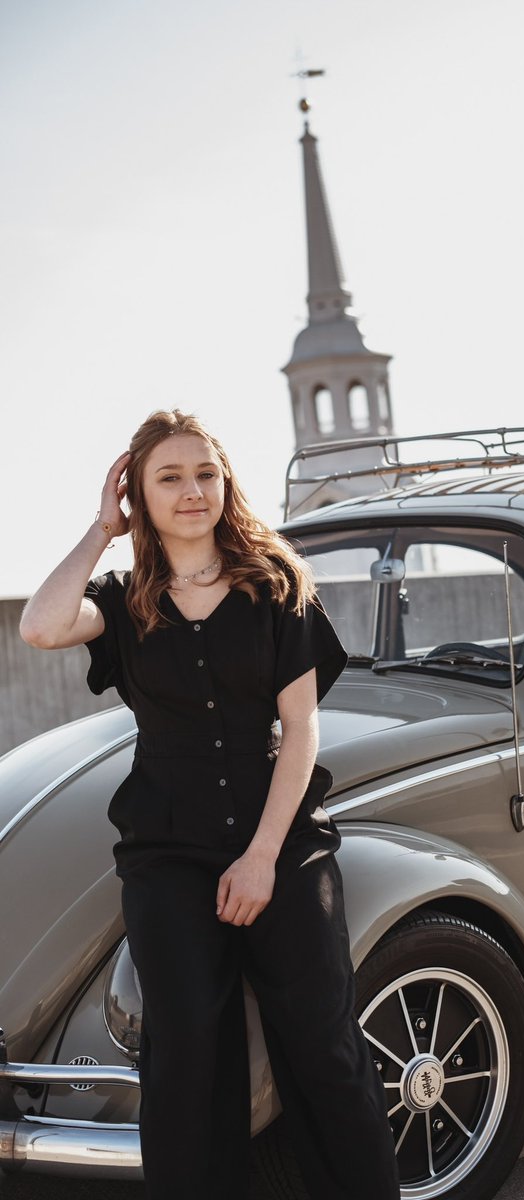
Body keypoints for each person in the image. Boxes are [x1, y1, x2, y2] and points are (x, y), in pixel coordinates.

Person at [19, 408, 401, 1200]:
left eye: (204, 473)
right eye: (168, 477)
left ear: (226, 484)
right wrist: (101, 531)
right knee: (187, 1052)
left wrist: (262, 858)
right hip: (167, 856)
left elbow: (300, 730)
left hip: (283, 847)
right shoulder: (123, 601)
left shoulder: (276, 587)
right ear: (138, 495)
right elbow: (40, 624)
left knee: (323, 1046)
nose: (191, 490)